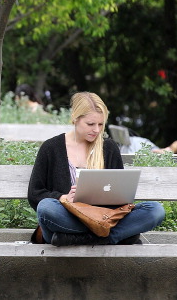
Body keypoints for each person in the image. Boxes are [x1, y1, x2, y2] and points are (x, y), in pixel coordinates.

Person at [27, 92, 165, 246]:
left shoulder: (109, 148)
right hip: (68, 217)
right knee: (46, 209)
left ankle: (81, 239)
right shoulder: (51, 148)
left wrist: (107, 198)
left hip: (103, 218)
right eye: (90, 124)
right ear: (75, 118)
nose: (97, 130)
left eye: (100, 124)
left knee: (155, 210)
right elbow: (35, 194)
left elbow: (120, 197)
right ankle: (116, 237)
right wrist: (63, 197)